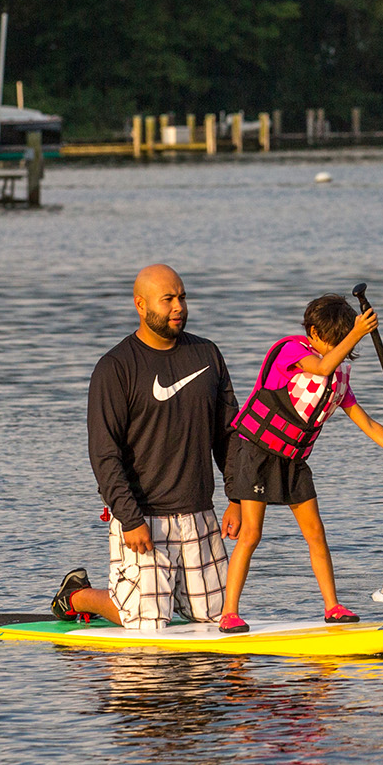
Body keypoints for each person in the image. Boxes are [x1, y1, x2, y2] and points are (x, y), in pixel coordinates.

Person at [50, 264, 247, 632]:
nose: (179, 307)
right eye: (168, 299)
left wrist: (236, 496)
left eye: (183, 297)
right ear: (141, 306)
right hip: (143, 517)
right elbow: (104, 454)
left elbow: (229, 433)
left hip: (199, 513)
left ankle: (153, 591)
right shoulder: (116, 367)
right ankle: (77, 595)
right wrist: (130, 518)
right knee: (147, 624)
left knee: (217, 617)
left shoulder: (207, 354)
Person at [220, 293, 383, 628]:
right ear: (312, 331)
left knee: (316, 532)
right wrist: (357, 333)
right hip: (257, 452)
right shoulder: (291, 351)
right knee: (252, 534)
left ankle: (332, 606)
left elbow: (369, 423)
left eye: (340, 341)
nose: (335, 347)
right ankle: (229, 613)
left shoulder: (339, 378)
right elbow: (321, 366)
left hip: (293, 459)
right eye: (331, 340)